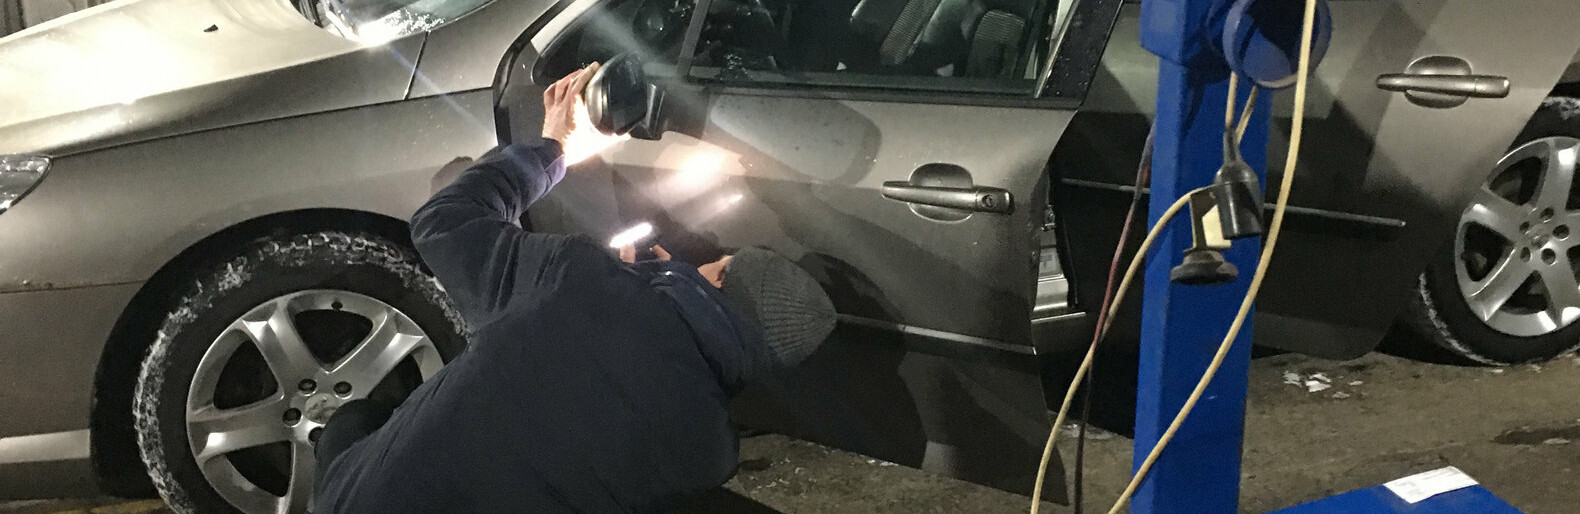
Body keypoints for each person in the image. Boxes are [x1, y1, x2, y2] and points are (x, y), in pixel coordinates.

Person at [312, 63, 837, 513]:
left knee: (354, 421)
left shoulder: (578, 280)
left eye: (716, 261)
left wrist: (553, 147)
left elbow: (442, 224)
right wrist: (639, 286)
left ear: (720, 279)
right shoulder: (708, 453)